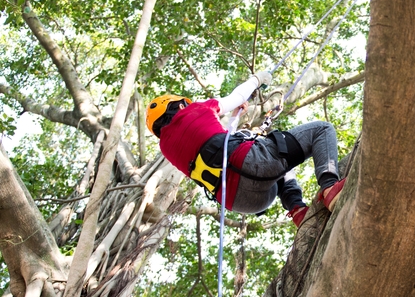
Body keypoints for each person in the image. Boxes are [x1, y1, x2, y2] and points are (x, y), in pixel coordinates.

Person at [146, 72, 345, 227]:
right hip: (252, 166)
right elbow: (238, 96)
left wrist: (234, 118)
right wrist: (256, 79)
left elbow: (219, 146)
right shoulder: (196, 109)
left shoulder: (167, 148)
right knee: (321, 130)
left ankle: (298, 210)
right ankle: (329, 187)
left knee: (281, 164)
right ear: (180, 106)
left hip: (242, 201)